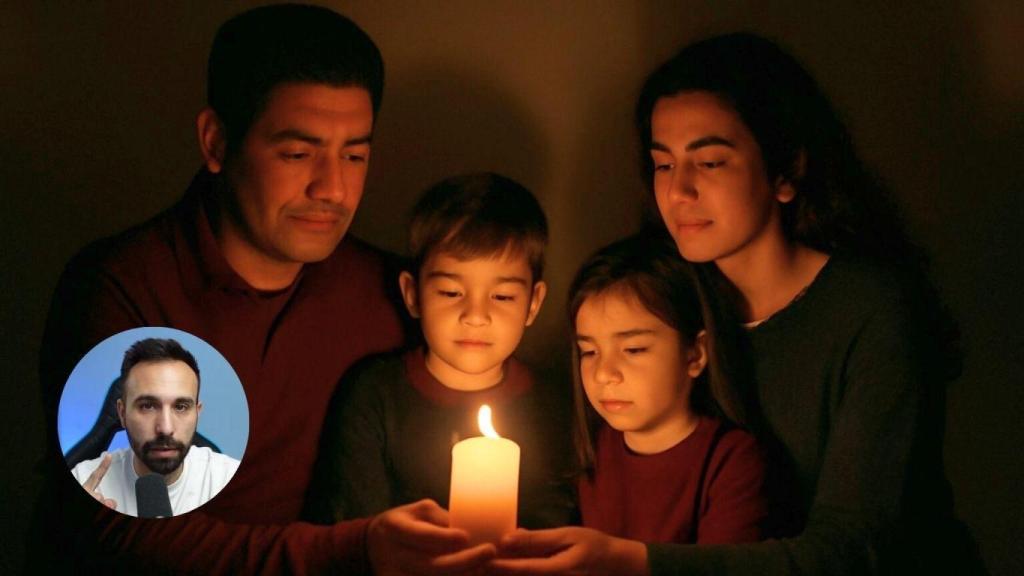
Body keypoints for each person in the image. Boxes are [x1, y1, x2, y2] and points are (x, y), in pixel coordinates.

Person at [492, 33, 983, 576]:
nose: (679, 191)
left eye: (710, 163)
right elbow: (605, 467)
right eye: (663, 165)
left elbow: (853, 547)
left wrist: (638, 563)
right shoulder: (662, 300)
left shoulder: (872, 312)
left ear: (785, 172)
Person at [34, 5, 494, 574]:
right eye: (298, 154)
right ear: (217, 142)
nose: (332, 188)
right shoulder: (121, 288)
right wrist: (355, 548)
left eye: (354, 155)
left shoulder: (382, 290)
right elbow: (123, 528)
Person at [304, 172, 576, 531]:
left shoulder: (551, 404)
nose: (476, 316)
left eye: (503, 296)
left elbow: (557, 523)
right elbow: (351, 521)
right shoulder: (376, 394)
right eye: (450, 292)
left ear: (533, 303)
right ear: (413, 294)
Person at [568, 233, 766, 544]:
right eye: (590, 352)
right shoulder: (599, 448)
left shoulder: (729, 460)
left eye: (633, 350)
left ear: (695, 353)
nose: (604, 374)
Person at [70, 338, 240, 517]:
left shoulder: (229, 479)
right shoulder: (83, 479)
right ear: (121, 413)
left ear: (197, 414)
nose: (165, 428)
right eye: (147, 406)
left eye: (180, 407)